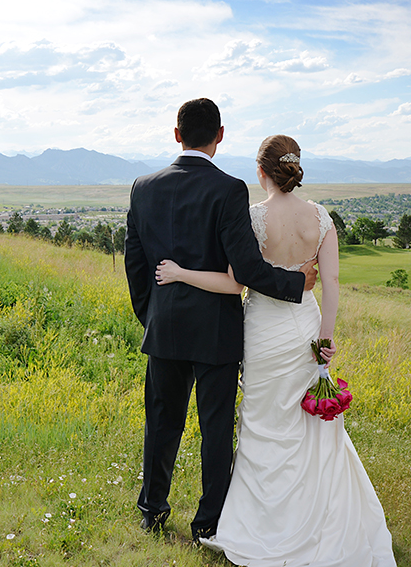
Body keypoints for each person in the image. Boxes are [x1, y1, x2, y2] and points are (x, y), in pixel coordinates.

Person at [154, 135, 396, 566]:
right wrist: (325, 338)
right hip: (304, 328)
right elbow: (332, 283)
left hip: (263, 332)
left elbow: (234, 283)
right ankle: (317, 515)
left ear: (261, 171)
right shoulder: (321, 218)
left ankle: (259, 521)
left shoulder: (252, 218)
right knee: (307, 427)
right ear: (294, 168)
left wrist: (180, 273)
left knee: (263, 422)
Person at [124, 99, 317, 542]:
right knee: (215, 430)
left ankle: (152, 511)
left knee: (161, 423)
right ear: (221, 135)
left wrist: (150, 314)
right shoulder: (230, 190)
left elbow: (136, 265)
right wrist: (295, 284)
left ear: (177, 134)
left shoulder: (143, 187)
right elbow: (246, 270)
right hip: (217, 331)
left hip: (166, 327)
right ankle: (208, 523)